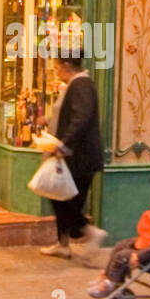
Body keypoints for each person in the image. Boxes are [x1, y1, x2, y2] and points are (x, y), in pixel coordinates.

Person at [40, 53, 106, 259]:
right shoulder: (75, 85)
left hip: (79, 157)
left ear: (67, 65)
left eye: (58, 66)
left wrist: (63, 143)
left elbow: (81, 118)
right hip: (75, 155)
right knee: (62, 197)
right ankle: (63, 244)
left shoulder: (81, 85)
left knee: (65, 200)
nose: (57, 71)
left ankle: (90, 232)